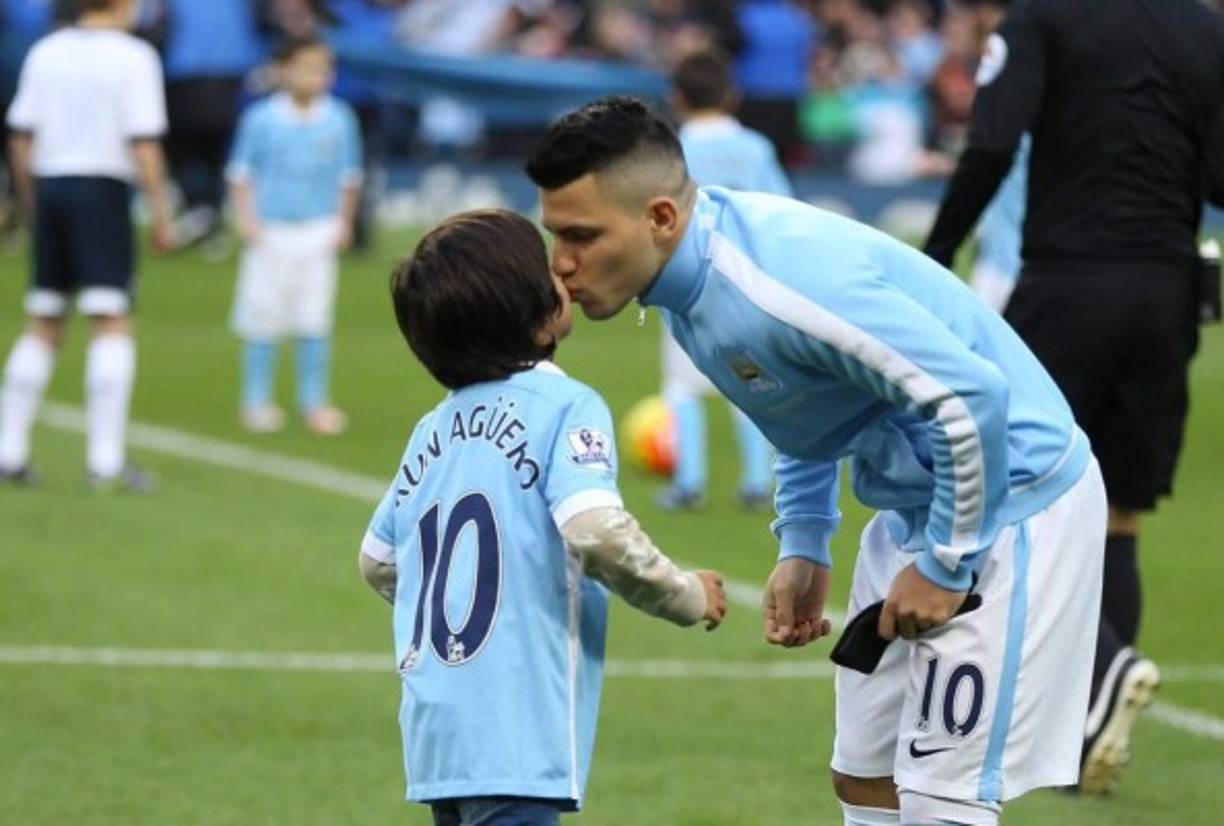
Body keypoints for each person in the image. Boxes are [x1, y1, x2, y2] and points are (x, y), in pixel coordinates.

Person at [527, 96, 1105, 826]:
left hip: (1012, 502)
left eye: (581, 235)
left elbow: (972, 399)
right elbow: (799, 402)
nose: (562, 264)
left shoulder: (776, 281)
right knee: (864, 777)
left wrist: (949, 564)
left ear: (660, 219)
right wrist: (802, 537)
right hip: (913, 511)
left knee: (940, 798)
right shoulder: (686, 282)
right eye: (554, 234)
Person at [922, 0, 1224, 793]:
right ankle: (1089, 729)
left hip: (1067, 283)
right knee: (1120, 510)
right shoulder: (1207, 28)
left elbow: (990, 141)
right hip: (1167, 291)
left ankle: (1102, 672)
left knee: (1018, 497)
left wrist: (938, 252)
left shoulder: (1042, 20)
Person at [359, 208, 727, 825]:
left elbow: (378, 560)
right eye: (546, 266)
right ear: (536, 321)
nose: (563, 267)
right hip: (516, 728)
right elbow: (594, 530)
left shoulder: (432, 429)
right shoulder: (566, 405)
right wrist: (686, 594)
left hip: (437, 732)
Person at [0, 0, 173, 490]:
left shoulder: (46, 51)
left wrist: (32, 198)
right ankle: (106, 460)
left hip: (51, 185)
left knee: (44, 319)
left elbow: (20, 136)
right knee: (112, 319)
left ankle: (9, 450)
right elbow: (143, 141)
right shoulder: (134, 56)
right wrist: (162, 212)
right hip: (101, 191)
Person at [655, 48, 788, 512]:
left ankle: (690, 482)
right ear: (731, 95)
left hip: (686, 283)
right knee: (749, 379)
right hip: (746, 284)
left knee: (682, 385)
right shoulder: (756, 148)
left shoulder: (669, 151)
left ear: (677, 97)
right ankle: (756, 482)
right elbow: (780, 214)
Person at [226, 36, 362, 436]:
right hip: (271, 231)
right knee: (263, 316)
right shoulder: (261, 119)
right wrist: (247, 219)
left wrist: (344, 222)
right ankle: (256, 400)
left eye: (324, 68)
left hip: (317, 230)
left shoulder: (339, 119)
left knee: (313, 318)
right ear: (283, 70)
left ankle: (314, 401)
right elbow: (241, 175)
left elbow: (349, 178)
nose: (318, 77)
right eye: (308, 67)